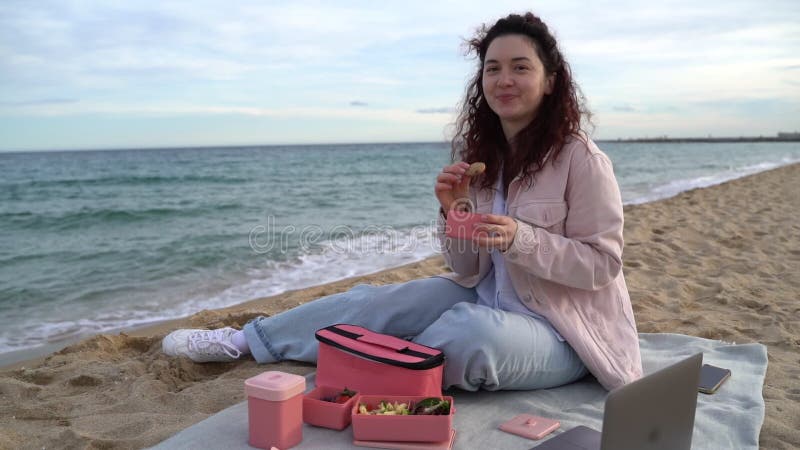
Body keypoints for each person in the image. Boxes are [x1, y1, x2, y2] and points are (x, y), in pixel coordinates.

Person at [162, 12, 642, 391]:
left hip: (565, 334)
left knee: (469, 333)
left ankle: (370, 376)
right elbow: (469, 269)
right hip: (489, 296)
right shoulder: (485, 161)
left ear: (551, 80)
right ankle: (247, 340)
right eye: (492, 69)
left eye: (521, 67)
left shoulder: (582, 159)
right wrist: (454, 211)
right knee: (380, 301)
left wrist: (524, 239)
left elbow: (603, 264)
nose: (504, 80)